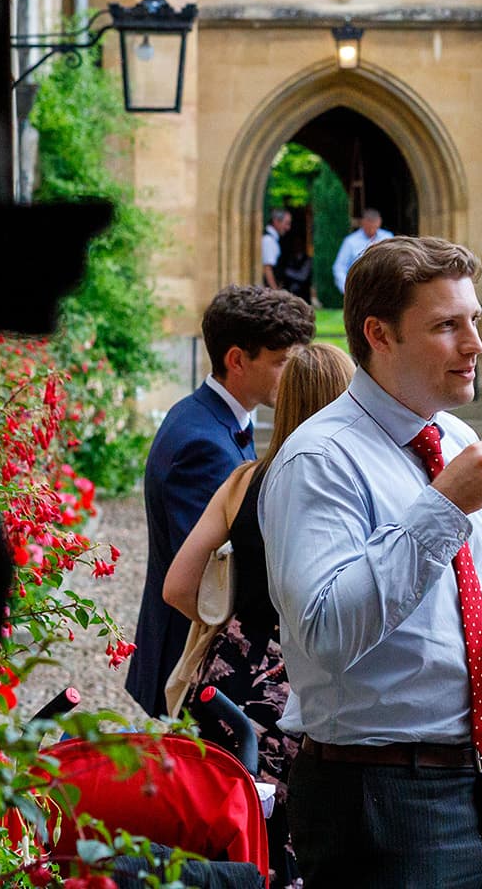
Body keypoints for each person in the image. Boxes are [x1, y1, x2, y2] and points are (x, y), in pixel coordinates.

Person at [262, 236, 482, 889]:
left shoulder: (457, 441)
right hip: (375, 790)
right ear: (379, 334)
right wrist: (442, 508)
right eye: (447, 325)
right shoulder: (320, 461)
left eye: (473, 320)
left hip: (473, 779)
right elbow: (325, 633)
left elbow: (453, 597)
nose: (474, 343)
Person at [163, 340, 358, 888]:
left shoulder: (242, 481)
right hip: (301, 680)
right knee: (300, 839)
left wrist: (232, 624)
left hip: (228, 680)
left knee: (224, 827)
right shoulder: (344, 486)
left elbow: (178, 587)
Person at [127, 285, 315, 716]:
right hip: (193, 665)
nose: (293, 374)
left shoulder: (207, 419)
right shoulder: (203, 444)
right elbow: (215, 577)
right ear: (237, 360)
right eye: (282, 362)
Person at [331, 207, 393, 294]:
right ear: (363, 223)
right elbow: (339, 267)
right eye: (369, 226)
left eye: (374, 225)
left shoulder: (387, 237)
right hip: (358, 288)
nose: (371, 229)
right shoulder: (350, 241)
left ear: (379, 222)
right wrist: (348, 289)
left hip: (384, 288)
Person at [262, 207, 294, 289]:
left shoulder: (272, 239)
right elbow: (267, 269)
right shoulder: (268, 240)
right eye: (286, 223)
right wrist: (275, 293)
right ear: (276, 221)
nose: (288, 228)